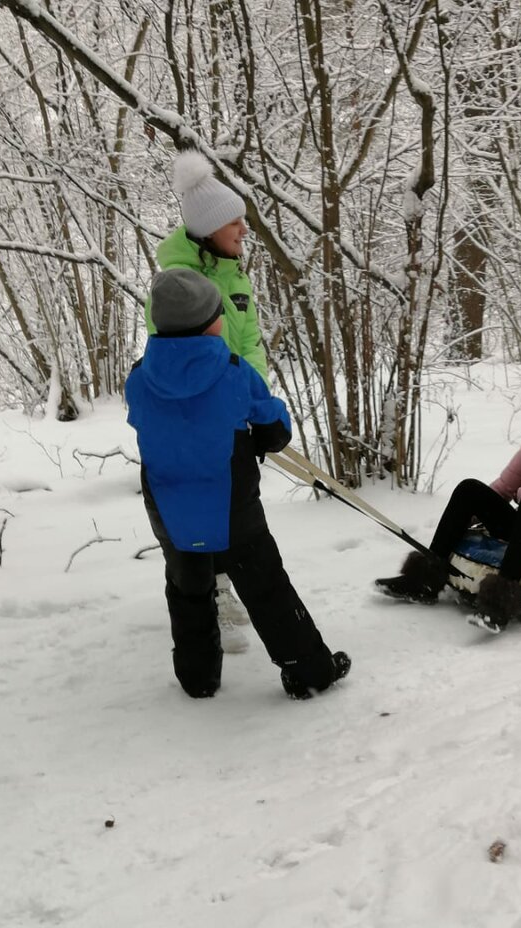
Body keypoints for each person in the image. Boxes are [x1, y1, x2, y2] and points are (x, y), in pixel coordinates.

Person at [127, 268, 351, 699]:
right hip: (229, 505)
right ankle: (308, 671)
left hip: (169, 505)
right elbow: (273, 428)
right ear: (208, 321)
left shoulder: (139, 377)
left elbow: (144, 420)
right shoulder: (232, 372)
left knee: (186, 586)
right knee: (264, 585)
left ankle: (198, 678)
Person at [374, 368, 521, 633]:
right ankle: (425, 580)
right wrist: (468, 516)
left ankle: (500, 603)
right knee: (470, 489)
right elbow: (503, 488)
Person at [146, 149, 267, 651]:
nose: (244, 228)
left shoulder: (235, 271)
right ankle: (212, 589)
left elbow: (250, 342)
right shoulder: (179, 282)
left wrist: (257, 400)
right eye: (234, 221)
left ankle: (224, 579)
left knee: (238, 500)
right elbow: (178, 360)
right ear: (208, 230)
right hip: (201, 416)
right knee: (206, 502)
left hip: (238, 407)